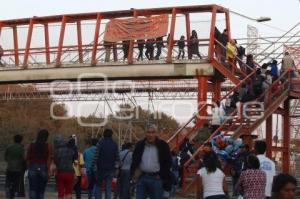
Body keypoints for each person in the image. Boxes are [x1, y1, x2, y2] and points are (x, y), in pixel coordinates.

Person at [130, 124, 172, 199]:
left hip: (157, 179)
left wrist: (162, 175)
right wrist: (133, 174)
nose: (150, 135)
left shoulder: (163, 145)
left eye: (153, 132)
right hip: (142, 178)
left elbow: (168, 162)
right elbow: (134, 160)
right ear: (145, 133)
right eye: (148, 132)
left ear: (156, 133)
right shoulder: (140, 145)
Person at [92, 128, 119, 199]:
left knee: (98, 186)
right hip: (111, 169)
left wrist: (93, 166)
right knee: (108, 187)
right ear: (111, 135)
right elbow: (117, 158)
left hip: (100, 168)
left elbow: (96, 156)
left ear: (104, 134)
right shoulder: (115, 144)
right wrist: (116, 168)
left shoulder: (100, 143)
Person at [27, 129, 51, 199]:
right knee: (41, 190)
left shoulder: (31, 145)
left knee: (33, 189)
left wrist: (29, 167)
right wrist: (48, 170)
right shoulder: (48, 146)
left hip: (32, 167)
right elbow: (48, 158)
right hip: (43, 168)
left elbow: (28, 157)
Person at [5, 134, 26, 199]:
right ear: (21, 140)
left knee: (8, 180)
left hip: (9, 167)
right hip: (18, 168)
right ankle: (12, 194)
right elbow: (23, 158)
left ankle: (7, 187)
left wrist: (9, 161)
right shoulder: (21, 148)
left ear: (13, 139)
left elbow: (5, 157)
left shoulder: (9, 147)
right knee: (16, 182)